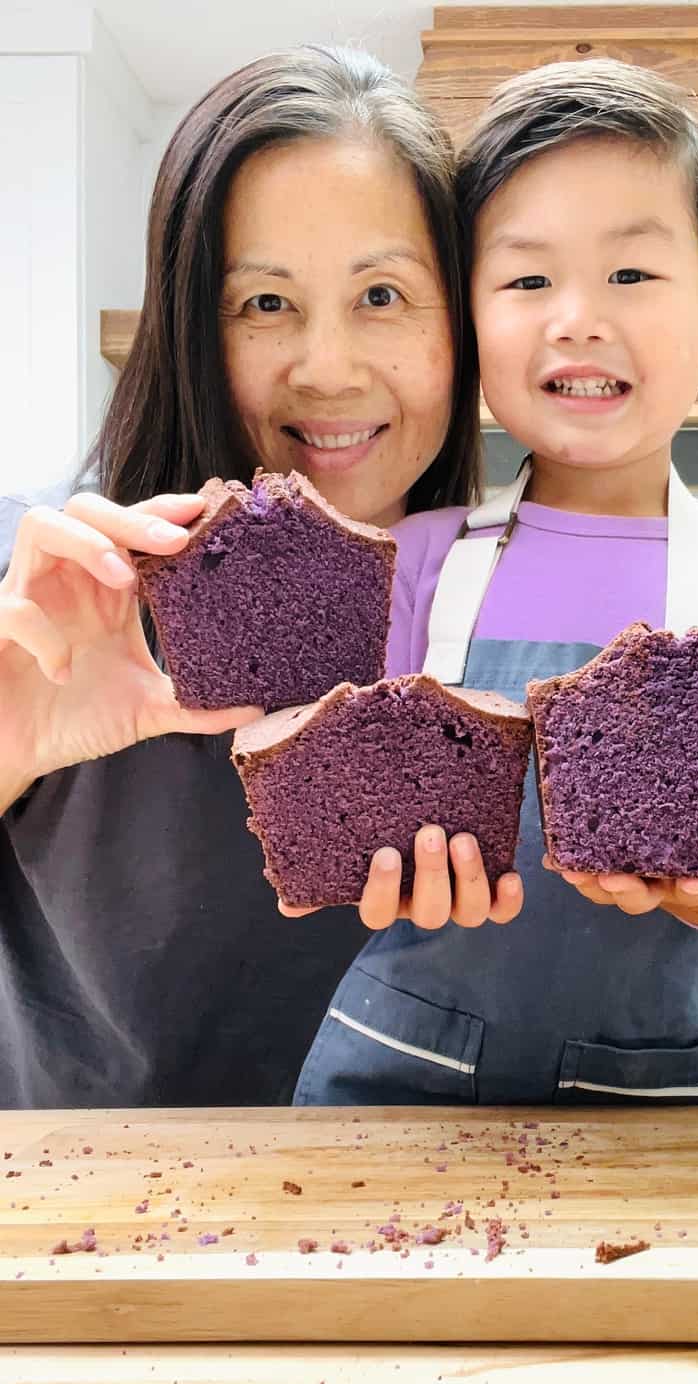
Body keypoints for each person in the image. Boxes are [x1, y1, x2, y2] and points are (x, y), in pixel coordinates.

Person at [293, 59, 698, 1108]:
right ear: (466, 321)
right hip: (401, 1081)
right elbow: (344, 781)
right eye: (525, 280)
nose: (576, 317)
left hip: (678, 1089)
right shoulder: (413, 559)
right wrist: (370, 861)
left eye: (630, 275)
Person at [0, 44, 505, 1109]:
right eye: (264, 304)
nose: (326, 367)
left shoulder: (518, 613)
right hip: (95, 1236)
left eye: (382, 294)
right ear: (188, 324)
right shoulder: (43, 585)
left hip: (445, 1227)